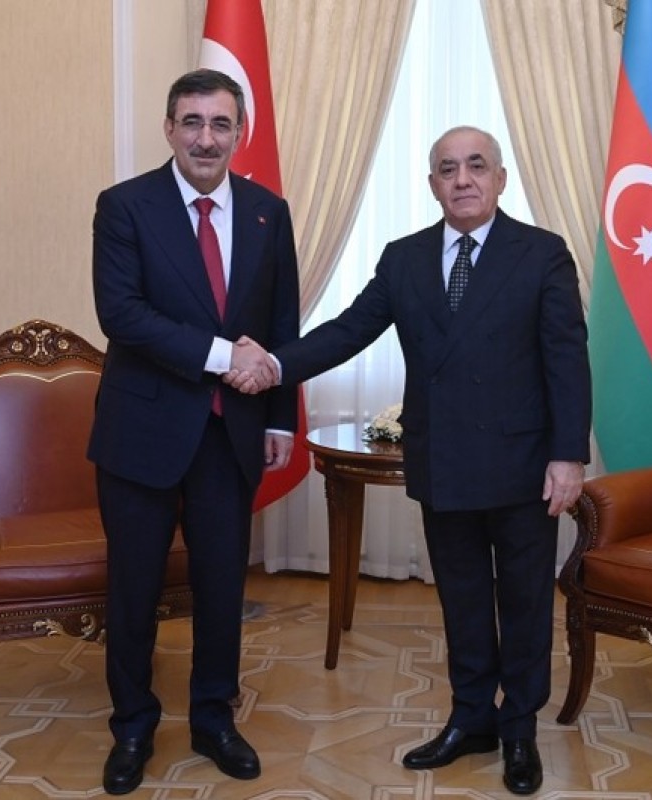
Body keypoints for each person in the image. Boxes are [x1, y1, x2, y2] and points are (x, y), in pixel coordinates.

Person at [229, 125, 591, 796]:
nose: (463, 179)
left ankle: (518, 730)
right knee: (461, 598)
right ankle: (472, 717)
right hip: (443, 459)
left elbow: (567, 360)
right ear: (432, 185)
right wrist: (275, 363)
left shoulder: (542, 254)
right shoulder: (404, 259)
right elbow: (347, 331)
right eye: (448, 169)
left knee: (523, 601)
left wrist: (568, 456)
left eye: (476, 166)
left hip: (522, 465)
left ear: (500, 178)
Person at [86, 68, 300, 794]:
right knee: (134, 589)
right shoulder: (124, 206)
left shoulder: (269, 212)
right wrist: (221, 356)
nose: (206, 138)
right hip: (141, 435)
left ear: (240, 133)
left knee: (219, 586)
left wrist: (280, 416)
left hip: (230, 434)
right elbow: (121, 314)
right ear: (169, 128)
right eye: (192, 122)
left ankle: (214, 720)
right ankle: (132, 727)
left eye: (220, 124)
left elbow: (281, 321)